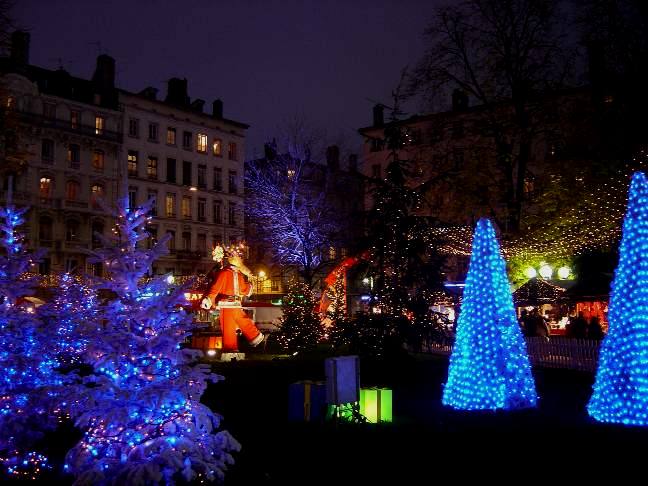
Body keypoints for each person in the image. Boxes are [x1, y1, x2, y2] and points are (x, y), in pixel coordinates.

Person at [200, 244, 264, 352]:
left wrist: (209, 298)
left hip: (227, 305)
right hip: (234, 303)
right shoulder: (235, 274)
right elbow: (243, 289)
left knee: (229, 327)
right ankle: (255, 336)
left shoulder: (225, 273)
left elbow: (216, 287)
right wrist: (250, 286)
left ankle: (231, 349)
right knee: (242, 320)